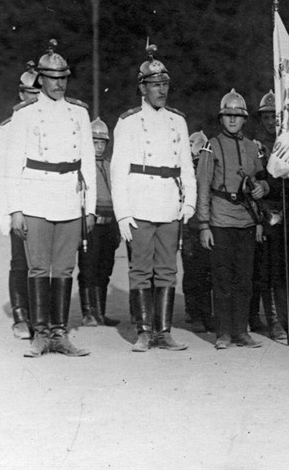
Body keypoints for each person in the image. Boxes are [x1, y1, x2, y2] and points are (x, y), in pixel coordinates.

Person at [5, 40, 95, 358]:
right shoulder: (25, 115)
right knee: (39, 267)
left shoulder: (79, 114)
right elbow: (13, 165)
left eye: (63, 78)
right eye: (52, 78)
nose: (58, 84)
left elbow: (88, 165)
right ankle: (40, 333)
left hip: (69, 197)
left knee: (65, 268)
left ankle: (59, 333)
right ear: (40, 79)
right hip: (35, 196)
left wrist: (90, 208)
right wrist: (14, 209)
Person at [110, 42, 196, 352]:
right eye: (155, 85)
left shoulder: (178, 120)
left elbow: (186, 167)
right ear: (142, 88)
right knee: (140, 270)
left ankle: (164, 331)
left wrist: (189, 203)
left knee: (168, 270)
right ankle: (144, 331)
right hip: (141, 203)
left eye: (164, 84)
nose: (161, 90)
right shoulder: (129, 121)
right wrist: (122, 213)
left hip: (169, 205)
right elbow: (118, 170)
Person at [196, 89, 269, 349]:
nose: (233, 120)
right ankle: (224, 332)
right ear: (221, 118)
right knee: (222, 278)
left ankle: (241, 330)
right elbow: (203, 185)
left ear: (245, 119)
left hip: (247, 220)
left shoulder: (252, 147)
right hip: (220, 219)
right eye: (228, 115)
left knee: (244, 278)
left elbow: (261, 181)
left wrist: (263, 191)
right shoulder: (211, 146)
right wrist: (204, 224)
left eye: (237, 116)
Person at [0, 61, 41, 340]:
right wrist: (5, 213)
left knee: (44, 263)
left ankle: (41, 315)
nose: (35, 100)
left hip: (45, 204)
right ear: (21, 95)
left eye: (39, 94)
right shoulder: (8, 128)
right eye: (30, 94)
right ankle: (21, 316)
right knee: (20, 261)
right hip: (19, 205)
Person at [254, 90, 289, 342]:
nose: (270, 122)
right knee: (268, 271)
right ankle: (275, 321)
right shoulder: (257, 146)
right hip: (268, 215)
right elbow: (254, 183)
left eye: (274, 117)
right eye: (266, 117)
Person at [77, 117, 121, 327]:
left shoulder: (111, 166)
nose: (99, 146)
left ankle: (100, 312)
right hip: (90, 223)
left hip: (110, 222)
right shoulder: (82, 166)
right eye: (95, 142)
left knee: (105, 268)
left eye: (102, 142)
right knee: (88, 268)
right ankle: (88, 313)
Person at [182, 131, 214, 333]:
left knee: (207, 272)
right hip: (189, 226)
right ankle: (194, 312)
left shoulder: (209, 166)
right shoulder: (184, 170)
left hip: (207, 225)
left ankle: (205, 312)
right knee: (193, 272)